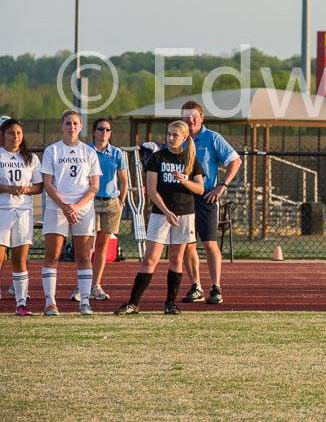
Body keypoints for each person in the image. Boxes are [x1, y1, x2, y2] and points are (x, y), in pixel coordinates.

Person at [115, 120, 205, 315]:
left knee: (176, 258)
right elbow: (152, 191)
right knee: (150, 258)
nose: (171, 138)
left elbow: (200, 188)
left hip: (185, 213)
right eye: (169, 134)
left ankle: (170, 303)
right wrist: (166, 211)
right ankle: (133, 303)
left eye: (175, 135)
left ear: (184, 138)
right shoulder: (157, 158)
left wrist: (185, 181)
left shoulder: (191, 159)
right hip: (161, 214)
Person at [40, 110, 101, 316]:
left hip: (82, 209)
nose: (72, 127)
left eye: (75, 123)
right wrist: (65, 206)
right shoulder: (52, 151)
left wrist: (76, 206)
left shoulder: (89, 152)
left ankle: (84, 302)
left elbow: (94, 187)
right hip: (57, 208)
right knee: (53, 255)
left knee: (83, 257)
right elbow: (47, 184)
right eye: (68, 123)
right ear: (62, 125)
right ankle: (50, 302)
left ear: (81, 126)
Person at [179, 101, 240, 305]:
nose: (190, 120)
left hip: (206, 197)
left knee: (210, 243)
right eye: (186, 117)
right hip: (183, 198)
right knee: (188, 245)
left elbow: (235, 160)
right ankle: (196, 286)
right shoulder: (179, 139)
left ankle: (216, 287)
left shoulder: (212, 138)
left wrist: (222, 185)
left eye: (194, 116)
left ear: (202, 117)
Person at [72, 117, 128, 302]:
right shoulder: (86, 151)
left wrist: (121, 200)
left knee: (102, 247)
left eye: (107, 129)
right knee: (86, 246)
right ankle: (82, 286)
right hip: (91, 201)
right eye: (101, 129)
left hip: (111, 202)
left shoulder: (117, 153)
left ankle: (95, 285)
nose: (104, 132)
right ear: (94, 132)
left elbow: (124, 179)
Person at [0, 118, 44, 316]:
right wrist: (9, 188)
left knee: (20, 259)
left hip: (23, 212)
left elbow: (39, 186)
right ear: (3, 135)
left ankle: (21, 302)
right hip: (2, 210)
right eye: (11, 133)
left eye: (18, 133)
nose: (15, 137)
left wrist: (26, 189)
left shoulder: (31, 158)